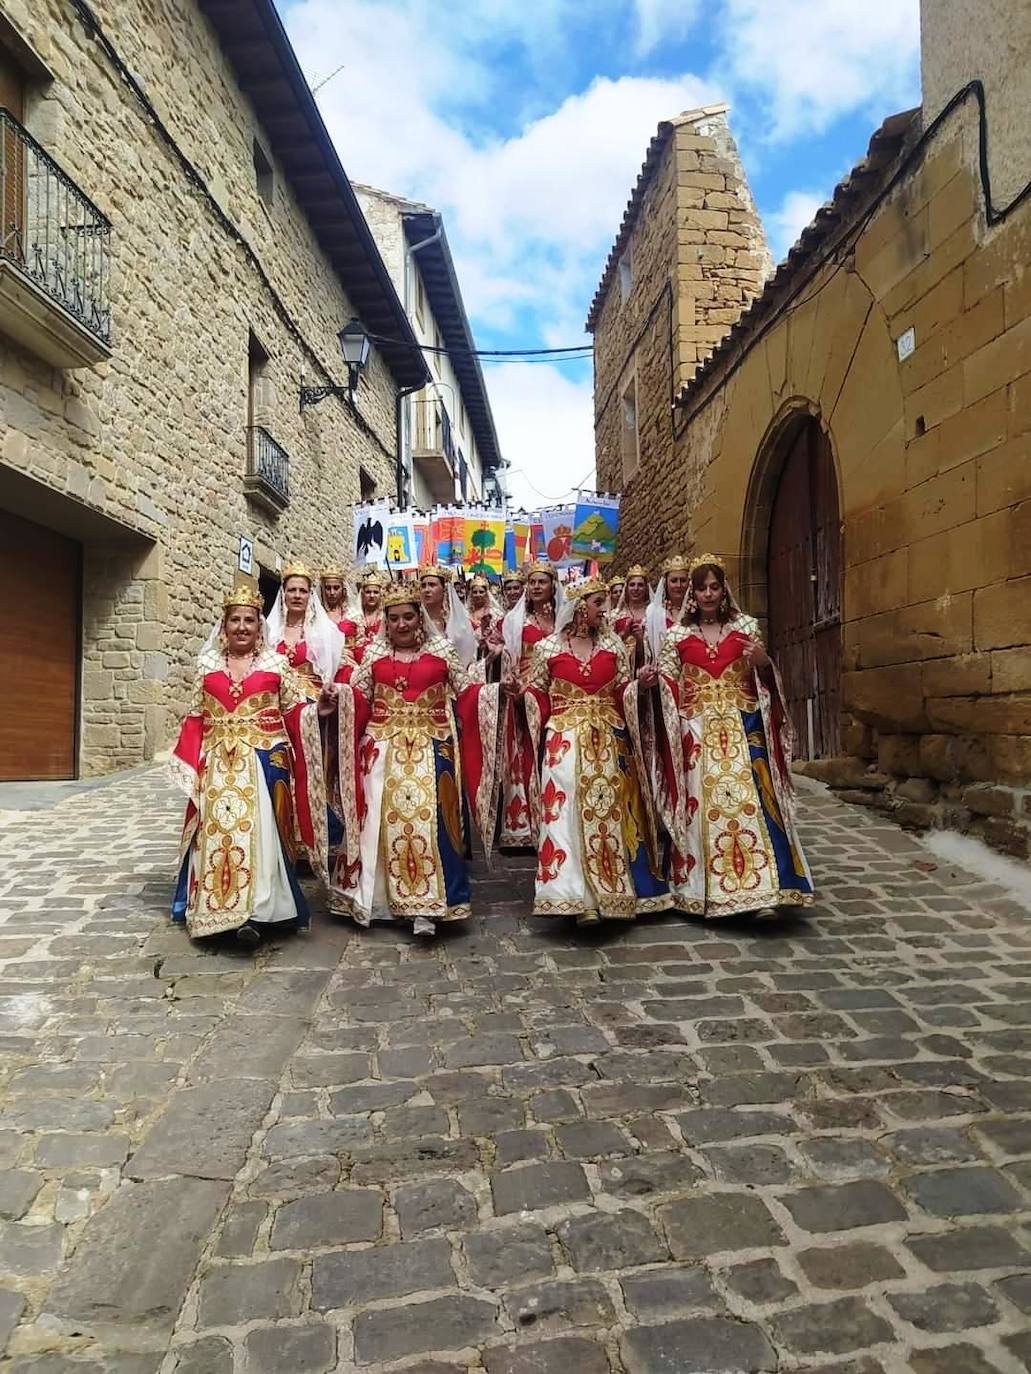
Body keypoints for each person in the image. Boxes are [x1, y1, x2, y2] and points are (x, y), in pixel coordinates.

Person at [640, 554, 814, 919]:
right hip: (698, 732)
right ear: (692, 592)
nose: (708, 594)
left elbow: (765, 682)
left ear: (724, 590)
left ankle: (765, 891)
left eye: (714, 587)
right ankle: (705, 888)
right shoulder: (677, 636)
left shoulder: (746, 628)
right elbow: (670, 686)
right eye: (701, 587)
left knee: (755, 801)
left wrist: (764, 663)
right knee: (701, 806)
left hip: (743, 727)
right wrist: (653, 684)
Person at [329, 584, 503, 935]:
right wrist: (340, 696)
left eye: (408, 617)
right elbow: (359, 698)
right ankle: (377, 900)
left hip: (431, 749)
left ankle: (430, 904)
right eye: (394, 619)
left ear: (419, 619)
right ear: (386, 623)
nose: (402, 624)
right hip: (381, 750)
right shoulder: (375, 655)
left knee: (433, 823)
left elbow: (467, 692)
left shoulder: (441, 651)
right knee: (376, 823)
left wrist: (496, 691)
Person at [169, 586, 334, 943]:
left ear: (260, 627)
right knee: (218, 835)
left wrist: (316, 711)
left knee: (259, 835)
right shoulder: (206, 665)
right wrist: (189, 763)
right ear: (224, 626)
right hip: (217, 768)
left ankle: (259, 912)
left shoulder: (276, 664)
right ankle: (216, 912)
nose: (242, 627)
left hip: (262, 765)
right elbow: (195, 717)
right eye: (235, 621)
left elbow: (293, 711)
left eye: (249, 621)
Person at [519, 578, 667, 924]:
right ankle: (576, 895)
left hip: (610, 739)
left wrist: (637, 685)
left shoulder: (613, 647)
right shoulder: (548, 649)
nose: (606, 610)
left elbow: (620, 692)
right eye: (599, 603)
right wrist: (519, 695)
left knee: (615, 809)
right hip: (565, 743)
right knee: (566, 812)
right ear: (580, 607)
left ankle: (620, 890)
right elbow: (537, 694)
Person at [498, 560, 559, 848]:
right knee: (524, 753)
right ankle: (522, 823)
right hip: (525, 693)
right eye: (532, 582)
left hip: (557, 692)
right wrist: (515, 687)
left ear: (552, 586)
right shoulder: (516, 620)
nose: (536, 587)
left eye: (541, 582)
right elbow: (510, 660)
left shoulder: (564, 618)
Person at [265, 561, 344, 700]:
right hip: (274, 700)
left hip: (311, 705)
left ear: (310, 595)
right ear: (283, 594)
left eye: (303, 591)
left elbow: (329, 675)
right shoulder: (270, 632)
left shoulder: (325, 632)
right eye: (292, 590)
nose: (297, 595)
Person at [420, 564, 477, 668]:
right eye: (423, 585)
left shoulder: (458, 621)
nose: (426, 590)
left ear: (444, 589)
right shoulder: (416, 622)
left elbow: (468, 656)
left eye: (432, 585)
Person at [612, 564, 651, 673]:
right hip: (623, 668)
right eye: (632, 585)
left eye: (640, 585)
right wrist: (624, 635)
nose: (636, 589)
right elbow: (608, 644)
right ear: (627, 588)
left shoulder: (653, 614)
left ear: (646, 588)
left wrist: (641, 640)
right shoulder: (615, 615)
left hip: (648, 665)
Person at [467, 572, 500, 661]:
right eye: (475, 592)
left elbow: (501, 637)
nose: (478, 595)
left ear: (486, 593)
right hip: (470, 656)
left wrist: (491, 635)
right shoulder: (466, 614)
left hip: (491, 658)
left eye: (481, 592)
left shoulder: (496, 614)